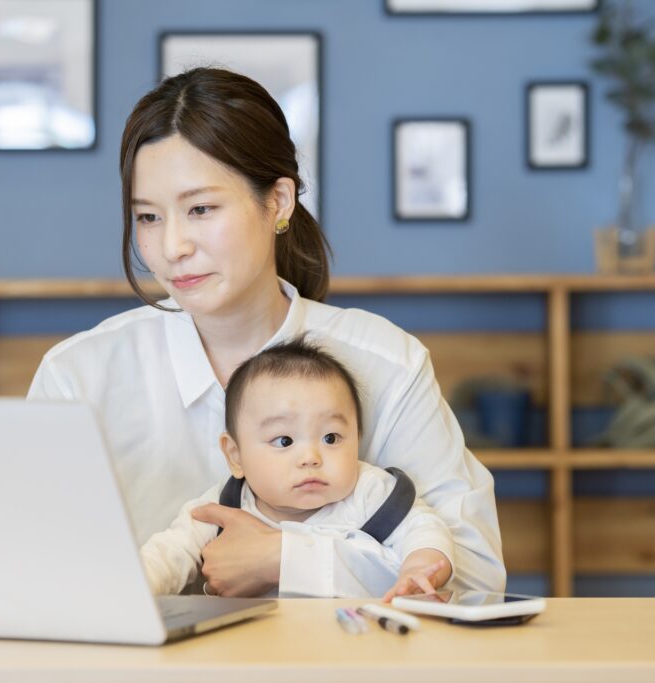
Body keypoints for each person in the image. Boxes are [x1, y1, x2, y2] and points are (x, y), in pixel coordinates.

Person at [27, 67, 506, 598]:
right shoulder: (77, 376)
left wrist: (287, 560)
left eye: (201, 209)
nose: (172, 247)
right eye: (148, 217)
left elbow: (475, 580)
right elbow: (35, 577)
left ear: (278, 202)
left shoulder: (389, 363)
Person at [140, 337, 452, 599]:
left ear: (357, 439)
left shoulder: (372, 494)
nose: (310, 457)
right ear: (235, 456)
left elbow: (424, 528)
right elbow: (167, 555)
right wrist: (139, 586)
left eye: (331, 437)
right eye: (284, 440)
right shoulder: (222, 509)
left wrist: (418, 566)